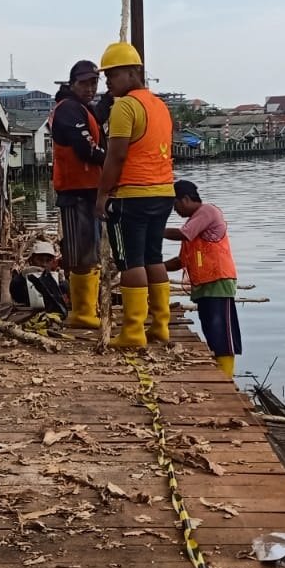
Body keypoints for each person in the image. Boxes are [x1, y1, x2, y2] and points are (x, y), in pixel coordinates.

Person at [94, 41, 175, 348]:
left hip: (133, 195)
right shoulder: (159, 106)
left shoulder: (125, 107)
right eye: (106, 76)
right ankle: (161, 325)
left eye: (113, 75)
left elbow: (115, 157)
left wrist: (102, 196)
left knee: (131, 263)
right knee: (154, 256)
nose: (108, 81)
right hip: (163, 192)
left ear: (133, 72)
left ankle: (132, 332)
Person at [163, 179, 242, 377]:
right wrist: (156, 267)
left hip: (218, 282)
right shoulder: (193, 222)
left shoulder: (207, 212)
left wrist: (153, 231)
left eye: (176, 205)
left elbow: (183, 234)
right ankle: (221, 371)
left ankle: (227, 376)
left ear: (186, 199)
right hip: (203, 286)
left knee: (221, 332)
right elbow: (182, 260)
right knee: (211, 330)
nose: (176, 211)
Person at [48, 59, 106, 328]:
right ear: (72, 84)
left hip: (88, 189)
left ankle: (87, 309)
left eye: (94, 82)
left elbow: (98, 124)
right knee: (80, 252)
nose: (90, 88)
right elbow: (86, 150)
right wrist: (115, 160)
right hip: (75, 190)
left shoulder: (85, 109)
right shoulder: (68, 110)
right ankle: (81, 313)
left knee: (91, 250)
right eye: (84, 83)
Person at [9, 241, 68, 315]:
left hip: (53, 315)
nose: (44, 264)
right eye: (40, 260)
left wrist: (63, 282)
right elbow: (16, 295)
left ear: (53, 262)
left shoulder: (56, 278)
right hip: (28, 314)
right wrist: (22, 276)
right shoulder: (25, 279)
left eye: (48, 260)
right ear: (31, 261)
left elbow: (65, 298)